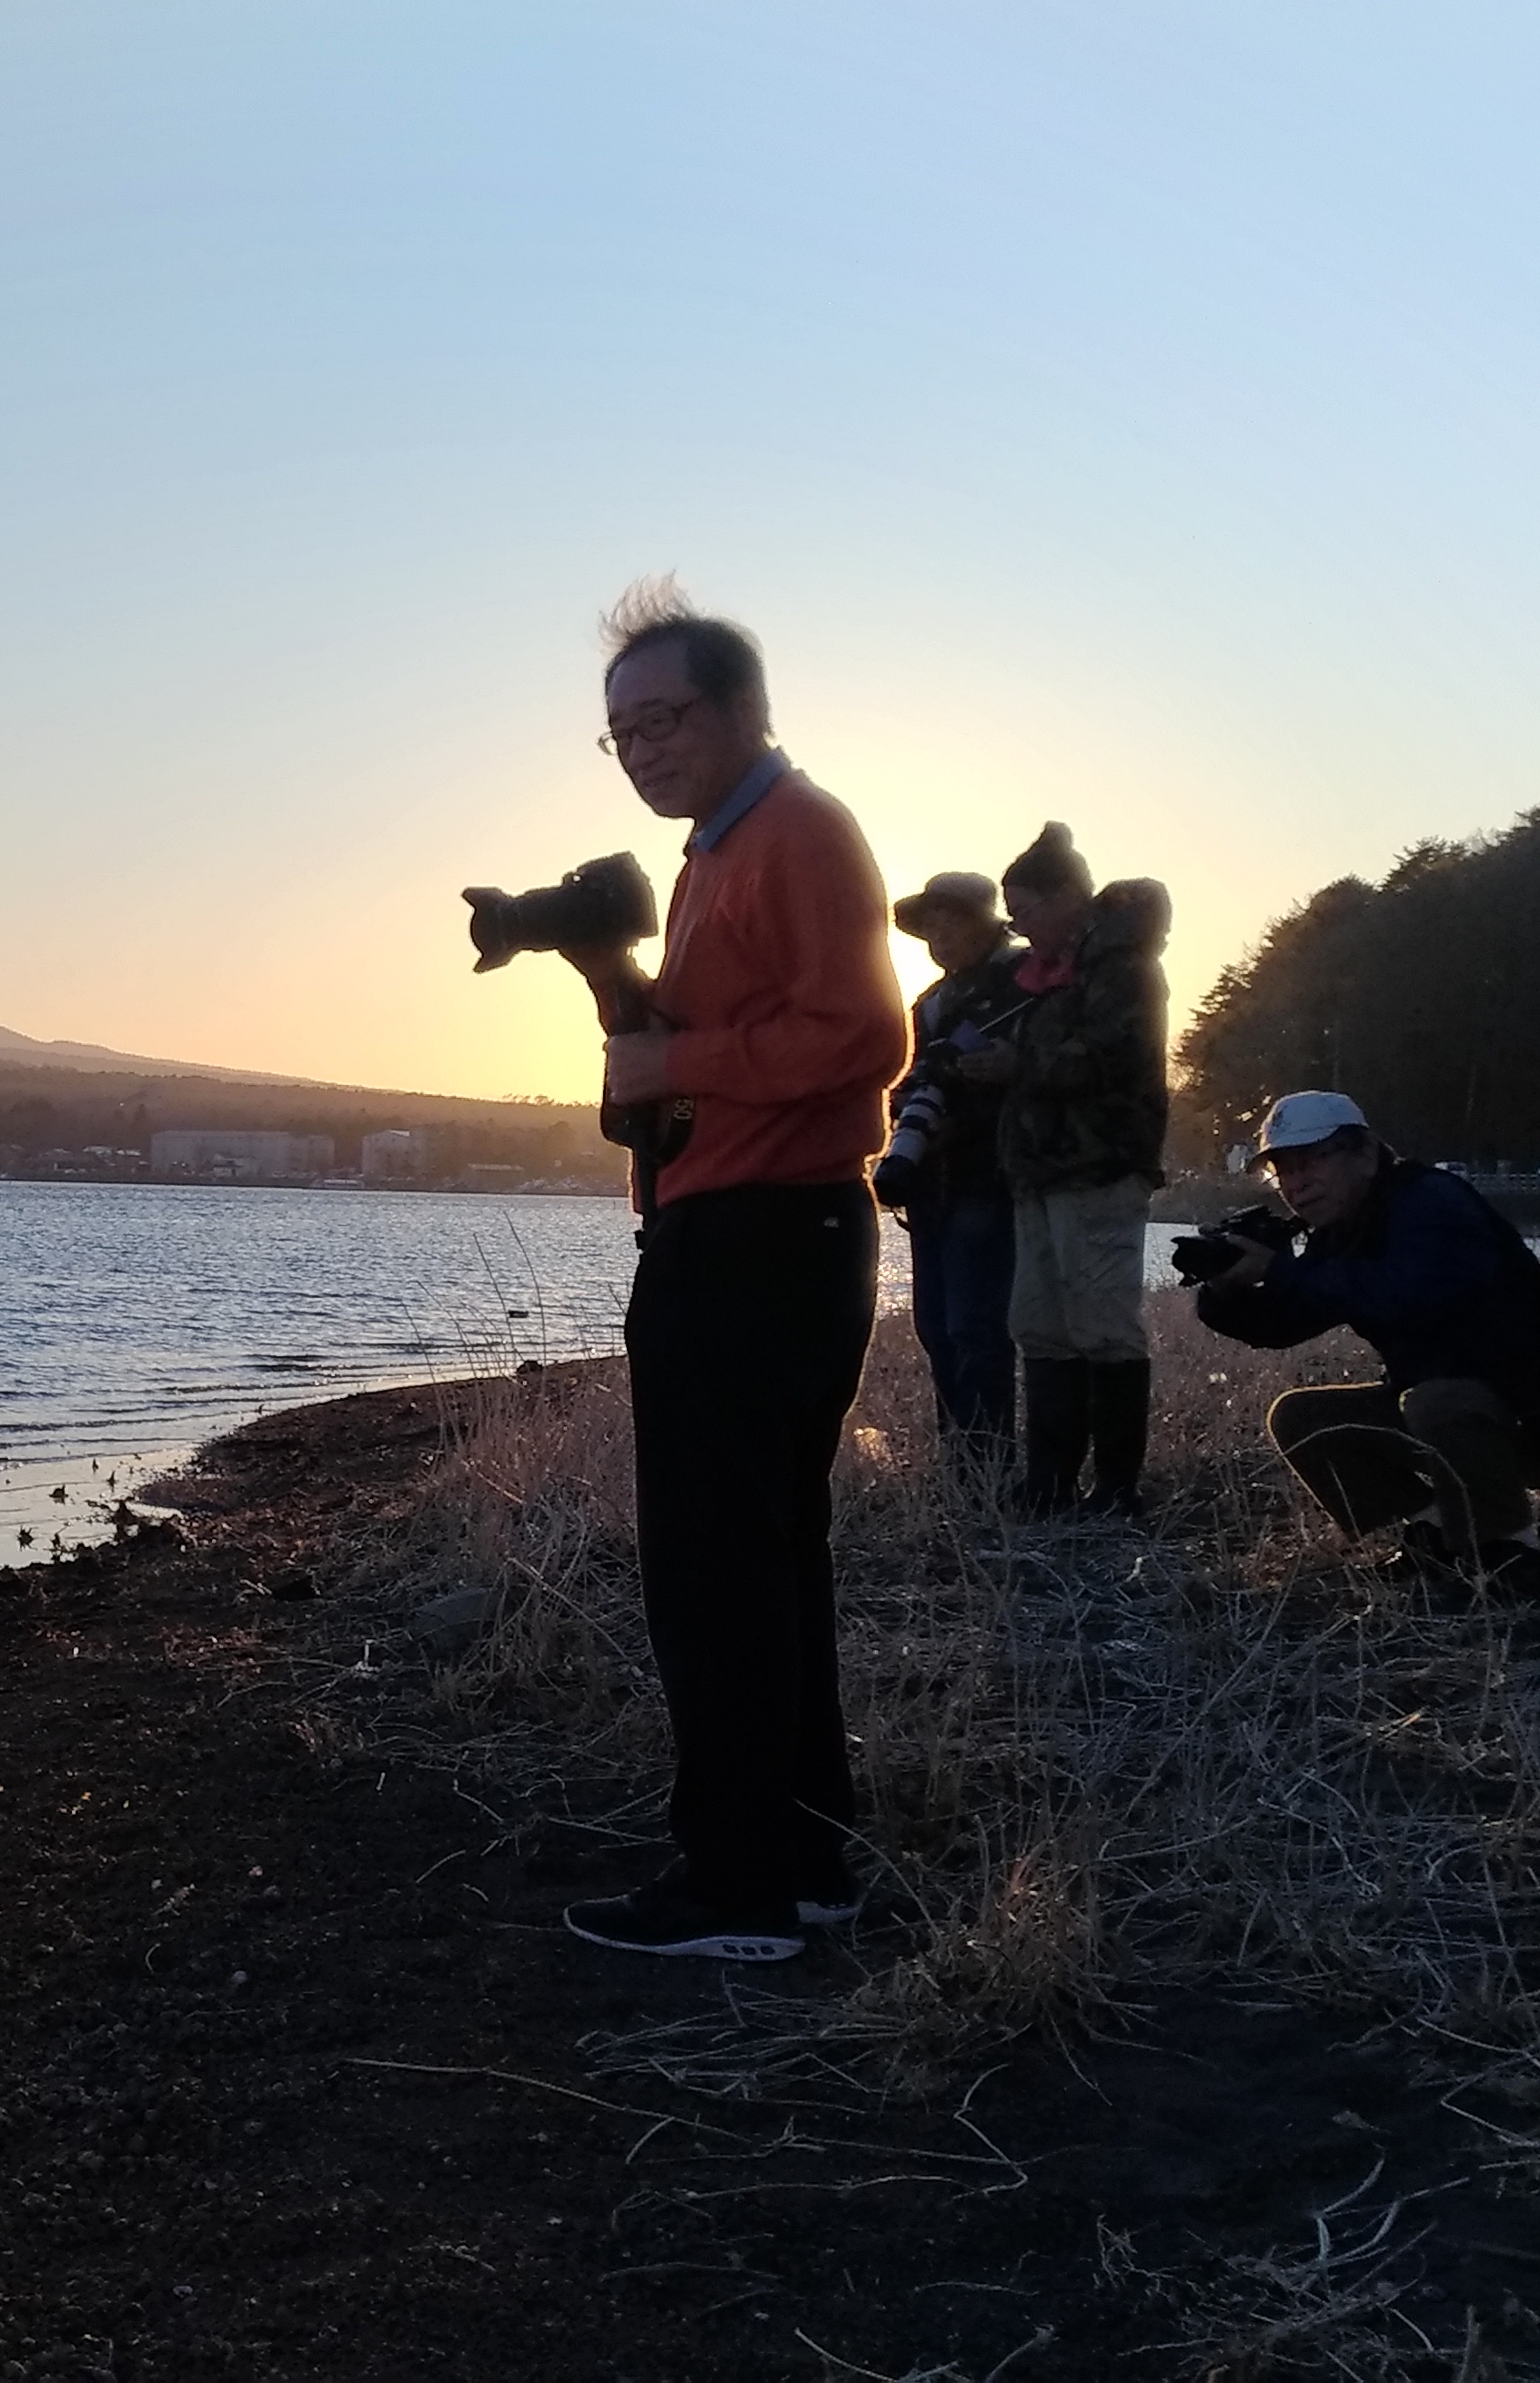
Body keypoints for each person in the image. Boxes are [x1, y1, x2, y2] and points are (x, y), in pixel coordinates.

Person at [568, 581, 909, 1964]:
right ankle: (802, 1857)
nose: (642, 745)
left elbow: (869, 1037)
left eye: (663, 716)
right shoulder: (723, 848)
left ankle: (746, 1884)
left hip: (770, 1236)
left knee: (715, 1571)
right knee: (759, 1563)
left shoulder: (797, 833)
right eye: (619, 731)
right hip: (756, 1232)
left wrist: (672, 1063)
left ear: (740, 708)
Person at [1190, 1091, 1540, 1598]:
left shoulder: (1431, 1202)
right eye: (1283, 1171)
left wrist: (1278, 1269)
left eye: (1312, 1161)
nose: (1296, 1184)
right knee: (1302, 1419)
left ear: (1365, 1154)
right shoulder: (1340, 1231)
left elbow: (1405, 1294)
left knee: (1435, 1399)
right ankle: (1437, 1539)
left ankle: (1515, 1555)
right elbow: (1283, 1324)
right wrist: (1222, 1288)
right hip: (1465, 1416)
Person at [951, 822, 1169, 1513]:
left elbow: (1118, 1056)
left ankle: (1116, 1488)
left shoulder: (1123, 967)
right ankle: (1047, 1482)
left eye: (1026, 907)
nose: (1016, 921)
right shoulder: (1042, 976)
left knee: (1104, 1324)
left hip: (1100, 1166)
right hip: (1039, 1173)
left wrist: (1018, 1066)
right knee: (1040, 1323)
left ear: (1070, 897)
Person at [872, 873, 1024, 1457]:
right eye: (931, 925)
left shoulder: (1024, 988)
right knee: (935, 1328)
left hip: (987, 1178)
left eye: (951, 921)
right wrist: (908, 1115)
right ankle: (959, 1459)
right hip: (930, 1187)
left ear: (983, 925)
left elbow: (1039, 1072)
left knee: (975, 1327)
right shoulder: (929, 1003)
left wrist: (993, 1081)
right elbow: (906, 1083)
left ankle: (989, 1462)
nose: (939, 936)